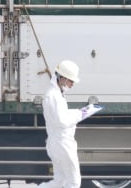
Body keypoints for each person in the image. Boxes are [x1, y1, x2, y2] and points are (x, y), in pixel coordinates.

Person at [39, 60, 86, 188]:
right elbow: (62, 120)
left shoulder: (56, 93)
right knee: (73, 182)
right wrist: (79, 114)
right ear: (63, 78)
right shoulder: (54, 95)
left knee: (59, 182)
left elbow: (60, 116)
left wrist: (77, 113)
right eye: (71, 81)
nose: (72, 84)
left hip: (57, 142)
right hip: (63, 144)